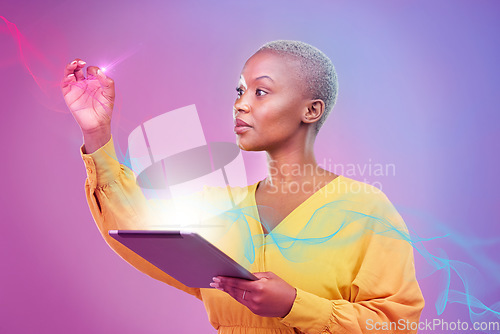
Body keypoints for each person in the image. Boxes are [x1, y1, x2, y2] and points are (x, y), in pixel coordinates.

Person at [62, 40, 425, 333]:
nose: (240, 104)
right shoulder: (218, 208)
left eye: (261, 92)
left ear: (311, 111)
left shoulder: (365, 210)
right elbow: (132, 229)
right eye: (239, 90)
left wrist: (296, 306)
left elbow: (395, 324)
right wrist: (97, 134)